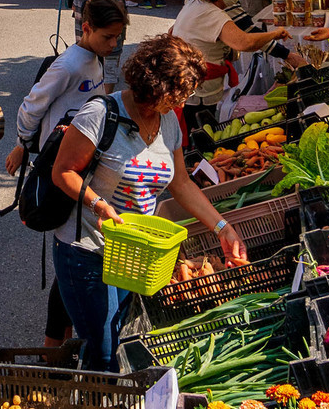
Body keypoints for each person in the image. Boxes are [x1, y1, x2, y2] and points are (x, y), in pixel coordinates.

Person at [49, 34, 251, 368]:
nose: (184, 102)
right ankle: (88, 406)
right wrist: (100, 205)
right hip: (86, 248)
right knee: (102, 351)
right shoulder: (100, 114)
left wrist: (222, 227)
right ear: (155, 87)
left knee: (122, 341)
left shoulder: (168, 121)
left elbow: (181, 183)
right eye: (179, 94)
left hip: (132, 253)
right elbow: (63, 172)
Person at [7, 0, 130, 360]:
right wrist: (25, 146)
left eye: (118, 38)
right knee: (71, 258)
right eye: (107, 37)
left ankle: (55, 347)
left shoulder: (93, 60)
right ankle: (53, 350)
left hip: (84, 168)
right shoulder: (70, 64)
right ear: (87, 27)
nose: (113, 44)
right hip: (62, 173)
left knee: (69, 270)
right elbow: (31, 106)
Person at [172, 0, 290, 116]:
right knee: (201, 127)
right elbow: (245, 42)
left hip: (189, 84)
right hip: (199, 91)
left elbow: (171, 32)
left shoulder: (193, 4)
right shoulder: (213, 14)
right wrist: (275, 34)